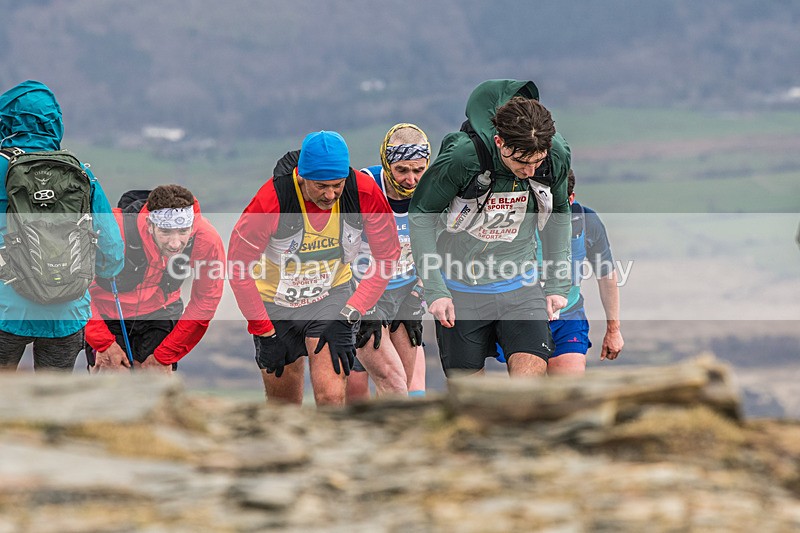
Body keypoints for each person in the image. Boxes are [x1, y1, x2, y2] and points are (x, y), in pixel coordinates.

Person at [409, 80, 572, 378]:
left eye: (538, 161)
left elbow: (560, 210)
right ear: (500, 142)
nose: (530, 171)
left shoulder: (556, 155)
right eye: (521, 161)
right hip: (460, 290)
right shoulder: (462, 158)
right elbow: (421, 214)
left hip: (521, 287)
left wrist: (558, 282)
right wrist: (435, 290)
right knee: (470, 402)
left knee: (527, 393)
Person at [228, 131, 400, 406]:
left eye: (337, 185)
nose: (330, 194)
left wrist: (354, 310)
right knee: (283, 408)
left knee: (331, 397)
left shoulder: (364, 192)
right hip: (276, 305)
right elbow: (238, 269)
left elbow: (388, 256)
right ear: (301, 177)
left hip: (331, 299)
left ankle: (333, 449)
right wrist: (263, 330)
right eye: (321, 186)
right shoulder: (271, 201)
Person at [0, 80, 124, 371]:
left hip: (5, 309)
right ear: (55, 123)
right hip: (66, 310)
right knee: (54, 404)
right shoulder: (80, 174)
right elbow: (112, 254)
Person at [85, 184, 225, 373]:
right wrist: (102, 342)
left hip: (160, 311)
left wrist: (166, 355)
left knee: (156, 385)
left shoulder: (206, 239)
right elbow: (75, 291)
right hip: (107, 313)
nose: (175, 244)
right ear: (150, 225)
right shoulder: (111, 230)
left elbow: (206, 301)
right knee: (112, 383)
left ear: (192, 226)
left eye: (183, 231)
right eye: (165, 232)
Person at [495, 169, 624, 374]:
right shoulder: (514, 220)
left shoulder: (585, 220)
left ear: (570, 198)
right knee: (529, 395)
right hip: (522, 319)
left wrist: (614, 330)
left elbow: (606, 275)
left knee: (569, 393)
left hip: (568, 318)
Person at [347, 123, 430, 402]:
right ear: (387, 163)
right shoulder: (364, 186)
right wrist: (359, 302)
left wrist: (419, 291)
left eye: (418, 170)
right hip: (365, 292)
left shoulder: (432, 191)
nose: (411, 179)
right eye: (402, 170)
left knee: (405, 385)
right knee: (392, 383)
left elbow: (439, 247)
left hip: (406, 292)